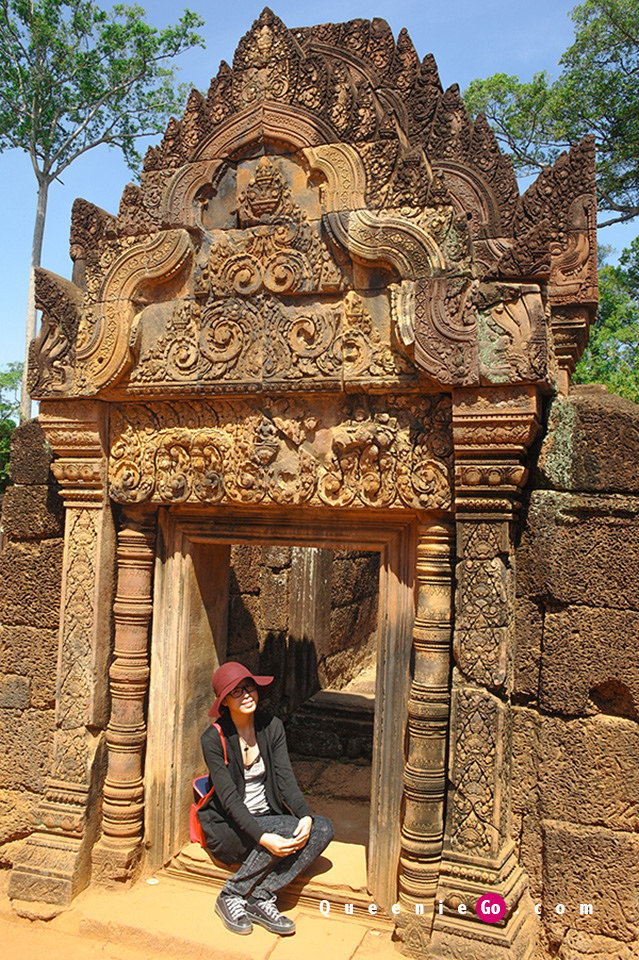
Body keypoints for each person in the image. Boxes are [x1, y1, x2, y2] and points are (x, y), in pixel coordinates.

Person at [198, 660, 334, 937]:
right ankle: (231, 893)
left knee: (322, 828)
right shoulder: (213, 739)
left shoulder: (271, 727)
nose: (246, 695)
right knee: (285, 831)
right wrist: (263, 837)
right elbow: (229, 800)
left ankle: (261, 895)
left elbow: (286, 781)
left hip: (270, 820)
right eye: (236, 692)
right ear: (224, 702)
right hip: (231, 827)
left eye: (249, 688)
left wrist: (305, 815)